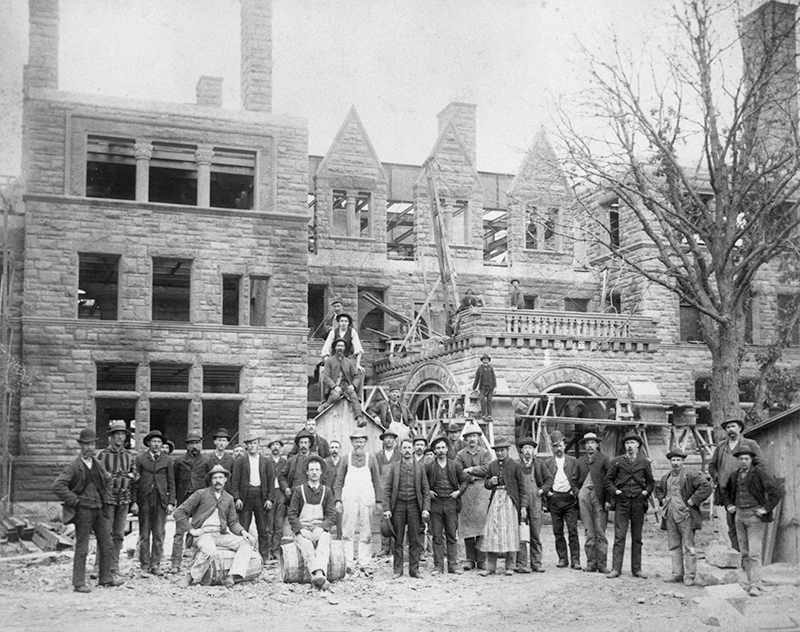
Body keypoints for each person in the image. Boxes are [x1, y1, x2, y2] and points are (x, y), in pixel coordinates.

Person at [52, 428, 125, 593]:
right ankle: (78, 583)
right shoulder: (74, 466)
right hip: (83, 511)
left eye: (92, 444)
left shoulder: (98, 464)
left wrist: (106, 498)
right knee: (82, 547)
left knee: (107, 545)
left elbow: (108, 480)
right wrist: (75, 500)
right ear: (80, 446)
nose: (89, 448)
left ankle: (105, 578)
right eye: (86, 444)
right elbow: (58, 486)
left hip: (100, 510)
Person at [173, 464, 257, 589]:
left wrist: (243, 532)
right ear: (211, 480)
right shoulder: (200, 494)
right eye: (215, 478)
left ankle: (232, 575)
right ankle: (190, 576)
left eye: (220, 477)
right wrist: (191, 530)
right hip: (203, 534)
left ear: (225, 480)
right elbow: (179, 512)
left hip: (220, 534)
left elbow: (233, 522)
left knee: (248, 542)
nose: (218, 481)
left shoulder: (228, 498)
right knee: (210, 551)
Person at [722, 447, 783, 597]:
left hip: (754, 516)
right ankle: (748, 582)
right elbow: (725, 491)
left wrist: (765, 509)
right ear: (738, 460)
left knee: (754, 553)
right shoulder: (734, 475)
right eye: (741, 459)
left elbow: (776, 492)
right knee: (744, 552)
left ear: (751, 460)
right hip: (739, 516)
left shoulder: (760, 474)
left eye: (746, 459)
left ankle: (756, 585)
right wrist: (729, 505)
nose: (743, 461)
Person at [655, 448, 712, 587]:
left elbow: (706, 486)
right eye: (673, 460)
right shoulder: (666, 477)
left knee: (688, 546)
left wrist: (693, 500)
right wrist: (662, 499)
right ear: (670, 462)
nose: (675, 463)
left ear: (682, 461)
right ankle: (677, 574)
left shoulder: (690, 475)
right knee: (674, 546)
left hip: (686, 515)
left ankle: (690, 575)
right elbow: (659, 489)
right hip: (670, 514)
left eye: (678, 460)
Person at [604, 432, 654, 579]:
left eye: (632, 443)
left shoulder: (644, 462)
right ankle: (616, 569)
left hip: (638, 502)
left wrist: (645, 493)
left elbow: (651, 483)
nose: (630, 446)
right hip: (622, 502)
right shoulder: (617, 461)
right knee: (619, 536)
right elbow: (608, 481)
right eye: (627, 443)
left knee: (637, 538)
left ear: (638, 445)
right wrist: (617, 492)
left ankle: (637, 569)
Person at [708, 418, 763, 551]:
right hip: (726, 492)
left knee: (748, 526)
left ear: (740, 428)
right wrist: (718, 477)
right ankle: (737, 556)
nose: (730, 430)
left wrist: (752, 480)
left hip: (745, 490)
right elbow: (712, 465)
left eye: (733, 426)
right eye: (728, 427)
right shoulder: (721, 446)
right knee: (731, 526)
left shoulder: (750, 444)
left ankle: (750, 559)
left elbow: (760, 464)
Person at [334, 428, 382, 576]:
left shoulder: (371, 458)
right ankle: (348, 562)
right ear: (352, 442)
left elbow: (377, 481)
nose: (358, 444)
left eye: (361, 441)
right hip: (349, 498)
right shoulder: (345, 458)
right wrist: (338, 500)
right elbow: (339, 481)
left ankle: (364, 563)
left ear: (365, 442)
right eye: (356, 441)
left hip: (367, 498)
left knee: (366, 532)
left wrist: (379, 501)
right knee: (347, 531)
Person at [475, 440, 527, 576]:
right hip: (496, 501)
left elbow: (522, 487)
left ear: (507, 450)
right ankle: (490, 567)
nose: (500, 453)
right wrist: (490, 482)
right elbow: (486, 483)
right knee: (492, 532)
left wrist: (523, 506)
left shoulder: (515, 465)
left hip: (510, 501)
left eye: (502, 450)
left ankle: (510, 566)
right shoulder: (492, 465)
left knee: (510, 533)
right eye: (497, 451)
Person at [382, 437, 431, 579]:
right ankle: (398, 570)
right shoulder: (394, 467)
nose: (407, 450)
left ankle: (414, 570)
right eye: (405, 448)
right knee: (398, 539)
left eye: (409, 448)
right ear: (400, 450)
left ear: (414, 449)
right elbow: (387, 489)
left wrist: (425, 508)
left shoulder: (420, 468)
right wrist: (387, 508)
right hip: (398, 507)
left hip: (415, 507)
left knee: (415, 539)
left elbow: (425, 490)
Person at [287, 455, 337, 591]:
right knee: (307, 544)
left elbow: (331, 515)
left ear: (321, 472)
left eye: (317, 469)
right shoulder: (299, 491)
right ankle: (319, 574)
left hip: (319, 528)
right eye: (311, 470)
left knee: (325, 541)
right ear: (307, 472)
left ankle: (318, 575)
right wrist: (301, 530)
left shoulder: (327, 491)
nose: (314, 472)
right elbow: (291, 514)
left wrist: (322, 528)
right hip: (303, 528)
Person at [131, 429, 175, 577]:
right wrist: (134, 502)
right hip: (144, 500)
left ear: (162, 444)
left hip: (161, 500)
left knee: (158, 533)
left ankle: (155, 564)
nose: (156, 444)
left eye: (158, 442)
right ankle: (144, 565)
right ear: (149, 443)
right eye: (153, 441)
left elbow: (171, 482)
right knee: (144, 534)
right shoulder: (140, 459)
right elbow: (134, 483)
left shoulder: (167, 460)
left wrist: (171, 502)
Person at [97, 420, 137, 578]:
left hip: (124, 499)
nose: (120, 437)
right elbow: (97, 476)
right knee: (104, 533)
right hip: (108, 499)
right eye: (117, 434)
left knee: (119, 534)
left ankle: (114, 566)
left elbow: (136, 474)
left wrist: (132, 476)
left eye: (122, 434)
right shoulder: (102, 455)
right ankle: (99, 566)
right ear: (111, 437)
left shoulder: (129, 455)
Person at [425, 435, 467, 575]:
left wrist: (458, 492)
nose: (441, 450)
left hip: (451, 503)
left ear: (447, 449)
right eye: (438, 448)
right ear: (434, 451)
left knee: (451, 535)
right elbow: (423, 483)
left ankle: (453, 566)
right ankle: (438, 566)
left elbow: (464, 481)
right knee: (437, 536)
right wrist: (428, 491)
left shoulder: (455, 465)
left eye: (443, 447)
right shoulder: (429, 466)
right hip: (435, 504)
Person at [171, 431, 211, 573]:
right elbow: (174, 482)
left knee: (200, 531)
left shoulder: (206, 460)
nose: (195, 446)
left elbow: (210, 482)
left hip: (200, 500)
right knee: (179, 532)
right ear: (187, 445)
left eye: (197, 443)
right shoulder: (179, 460)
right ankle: (175, 564)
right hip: (184, 500)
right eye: (192, 443)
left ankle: (197, 563)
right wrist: (174, 500)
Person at [232, 433, 275, 561]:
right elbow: (235, 482)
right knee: (243, 527)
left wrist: (269, 499)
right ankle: (243, 556)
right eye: (249, 443)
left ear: (258, 444)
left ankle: (264, 557)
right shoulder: (240, 461)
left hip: (261, 496)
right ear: (246, 446)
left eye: (254, 443)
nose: (252, 446)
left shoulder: (266, 461)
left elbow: (271, 481)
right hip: (246, 497)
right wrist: (237, 498)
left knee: (263, 528)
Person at [457, 420, 493, 571]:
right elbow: (458, 471)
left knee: (481, 525)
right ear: (465, 439)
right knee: (467, 527)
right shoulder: (460, 454)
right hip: (467, 491)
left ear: (478, 438)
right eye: (469, 437)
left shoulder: (485, 453)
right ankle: (469, 559)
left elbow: (487, 469)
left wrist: (471, 469)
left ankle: (481, 559)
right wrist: (470, 476)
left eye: (474, 436)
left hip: (482, 491)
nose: (472, 439)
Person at [543, 430, 581, 570]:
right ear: (552, 448)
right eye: (555, 446)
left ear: (564, 445)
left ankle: (575, 560)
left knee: (573, 530)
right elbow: (544, 480)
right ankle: (562, 558)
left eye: (560, 445)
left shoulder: (573, 461)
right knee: (558, 532)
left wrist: (574, 491)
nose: (558, 449)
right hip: (555, 500)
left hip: (569, 499)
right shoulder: (547, 463)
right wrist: (548, 494)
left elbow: (578, 478)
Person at [516, 436, 552, 573]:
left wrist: (541, 490)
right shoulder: (516, 465)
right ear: (521, 451)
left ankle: (536, 563)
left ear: (533, 451)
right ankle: (521, 563)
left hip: (536, 501)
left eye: (530, 448)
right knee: (522, 532)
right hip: (521, 502)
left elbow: (549, 480)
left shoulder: (539, 464)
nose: (527, 451)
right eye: (525, 448)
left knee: (535, 532)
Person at [576, 431, 611, 573]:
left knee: (600, 531)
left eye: (592, 443)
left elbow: (609, 481)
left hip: (600, 498)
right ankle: (591, 563)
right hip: (584, 497)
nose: (590, 446)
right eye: (587, 443)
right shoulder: (580, 461)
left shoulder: (604, 459)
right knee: (588, 531)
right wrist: (577, 492)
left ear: (597, 444)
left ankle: (602, 564)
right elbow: (574, 480)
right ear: (584, 446)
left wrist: (609, 500)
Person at [320, 339, 365, 425]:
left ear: (345, 348)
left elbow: (356, 376)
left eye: (342, 346)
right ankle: (325, 405)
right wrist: (334, 386)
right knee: (336, 396)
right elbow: (326, 377)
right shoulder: (329, 361)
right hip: (334, 386)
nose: (340, 348)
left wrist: (353, 385)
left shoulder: (349, 362)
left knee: (354, 397)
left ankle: (359, 418)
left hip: (345, 385)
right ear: (334, 348)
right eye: (338, 346)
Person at [374, 429, 401, 556]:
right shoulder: (378, 455)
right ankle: (385, 548)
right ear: (383, 440)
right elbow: (375, 475)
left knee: (397, 519)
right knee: (384, 520)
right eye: (386, 438)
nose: (389, 440)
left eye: (391, 438)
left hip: (397, 491)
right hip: (383, 491)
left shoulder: (399, 454)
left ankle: (397, 546)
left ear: (394, 440)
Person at [266, 438, 288, 558]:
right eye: (273, 445)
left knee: (279, 525)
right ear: (270, 448)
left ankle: (276, 550)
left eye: (278, 445)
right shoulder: (266, 461)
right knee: (269, 525)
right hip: (270, 494)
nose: (276, 447)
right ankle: (268, 551)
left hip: (281, 494)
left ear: (281, 448)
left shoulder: (284, 462)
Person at [280, 429, 316, 500]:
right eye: (301, 443)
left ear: (309, 444)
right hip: (295, 495)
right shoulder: (292, 460)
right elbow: (281, 476)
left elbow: (323, 476)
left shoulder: (316, 459)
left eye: (305, 442)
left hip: (312, 495)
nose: (303, 445)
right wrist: (286, 488)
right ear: (298, 444)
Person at [323, 440, 344, 540]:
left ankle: (340, 541)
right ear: (329, 449)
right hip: (327, 495)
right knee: (326, 519)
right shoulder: (325, 462)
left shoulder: (343, 462)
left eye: (336, 447)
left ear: (340, 449)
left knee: (340, 520)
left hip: (340, 496)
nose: (334, 450)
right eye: (332, 448)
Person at [208, 428, 235, 493]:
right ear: (215, 442)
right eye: (219, 440)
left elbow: (233, 479)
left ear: (227, 443)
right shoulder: (208, 458)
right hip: (211, 492)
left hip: (226, 493)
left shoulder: (231, 459)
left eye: (223, 441)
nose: (221, 443)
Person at [472, 354, 497, 421]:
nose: (485, 361)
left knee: (489, 401)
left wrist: (495, 387)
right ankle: (483, 415)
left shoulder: (491, 369)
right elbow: (477, 378)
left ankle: (489, 415)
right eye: (484, 360)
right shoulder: (479, 369)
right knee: (482, 400)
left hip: (490, 387)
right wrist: (474, 388)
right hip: (482, 387)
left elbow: (494, 378)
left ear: (488, 361)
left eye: (486, 360)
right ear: (482, 361)